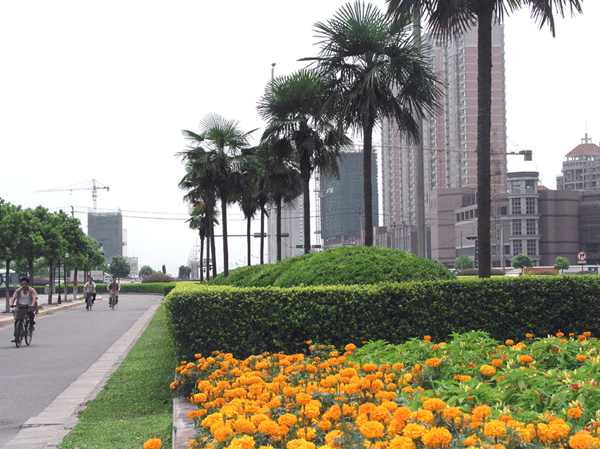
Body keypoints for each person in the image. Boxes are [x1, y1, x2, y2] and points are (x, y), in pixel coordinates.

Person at [10, 277, 38, 342]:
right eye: (22, 284)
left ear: (27, 284)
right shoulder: (18, 290)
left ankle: (31, 325)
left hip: (30, 306)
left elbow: (34, 298)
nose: (23, 285)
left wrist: (32, 304)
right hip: (21, 306)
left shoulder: (31, 290)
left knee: (30, 314)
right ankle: (16, 336)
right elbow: (13, 297)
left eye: (25, 284)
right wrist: (11, 304)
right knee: (17, 320)